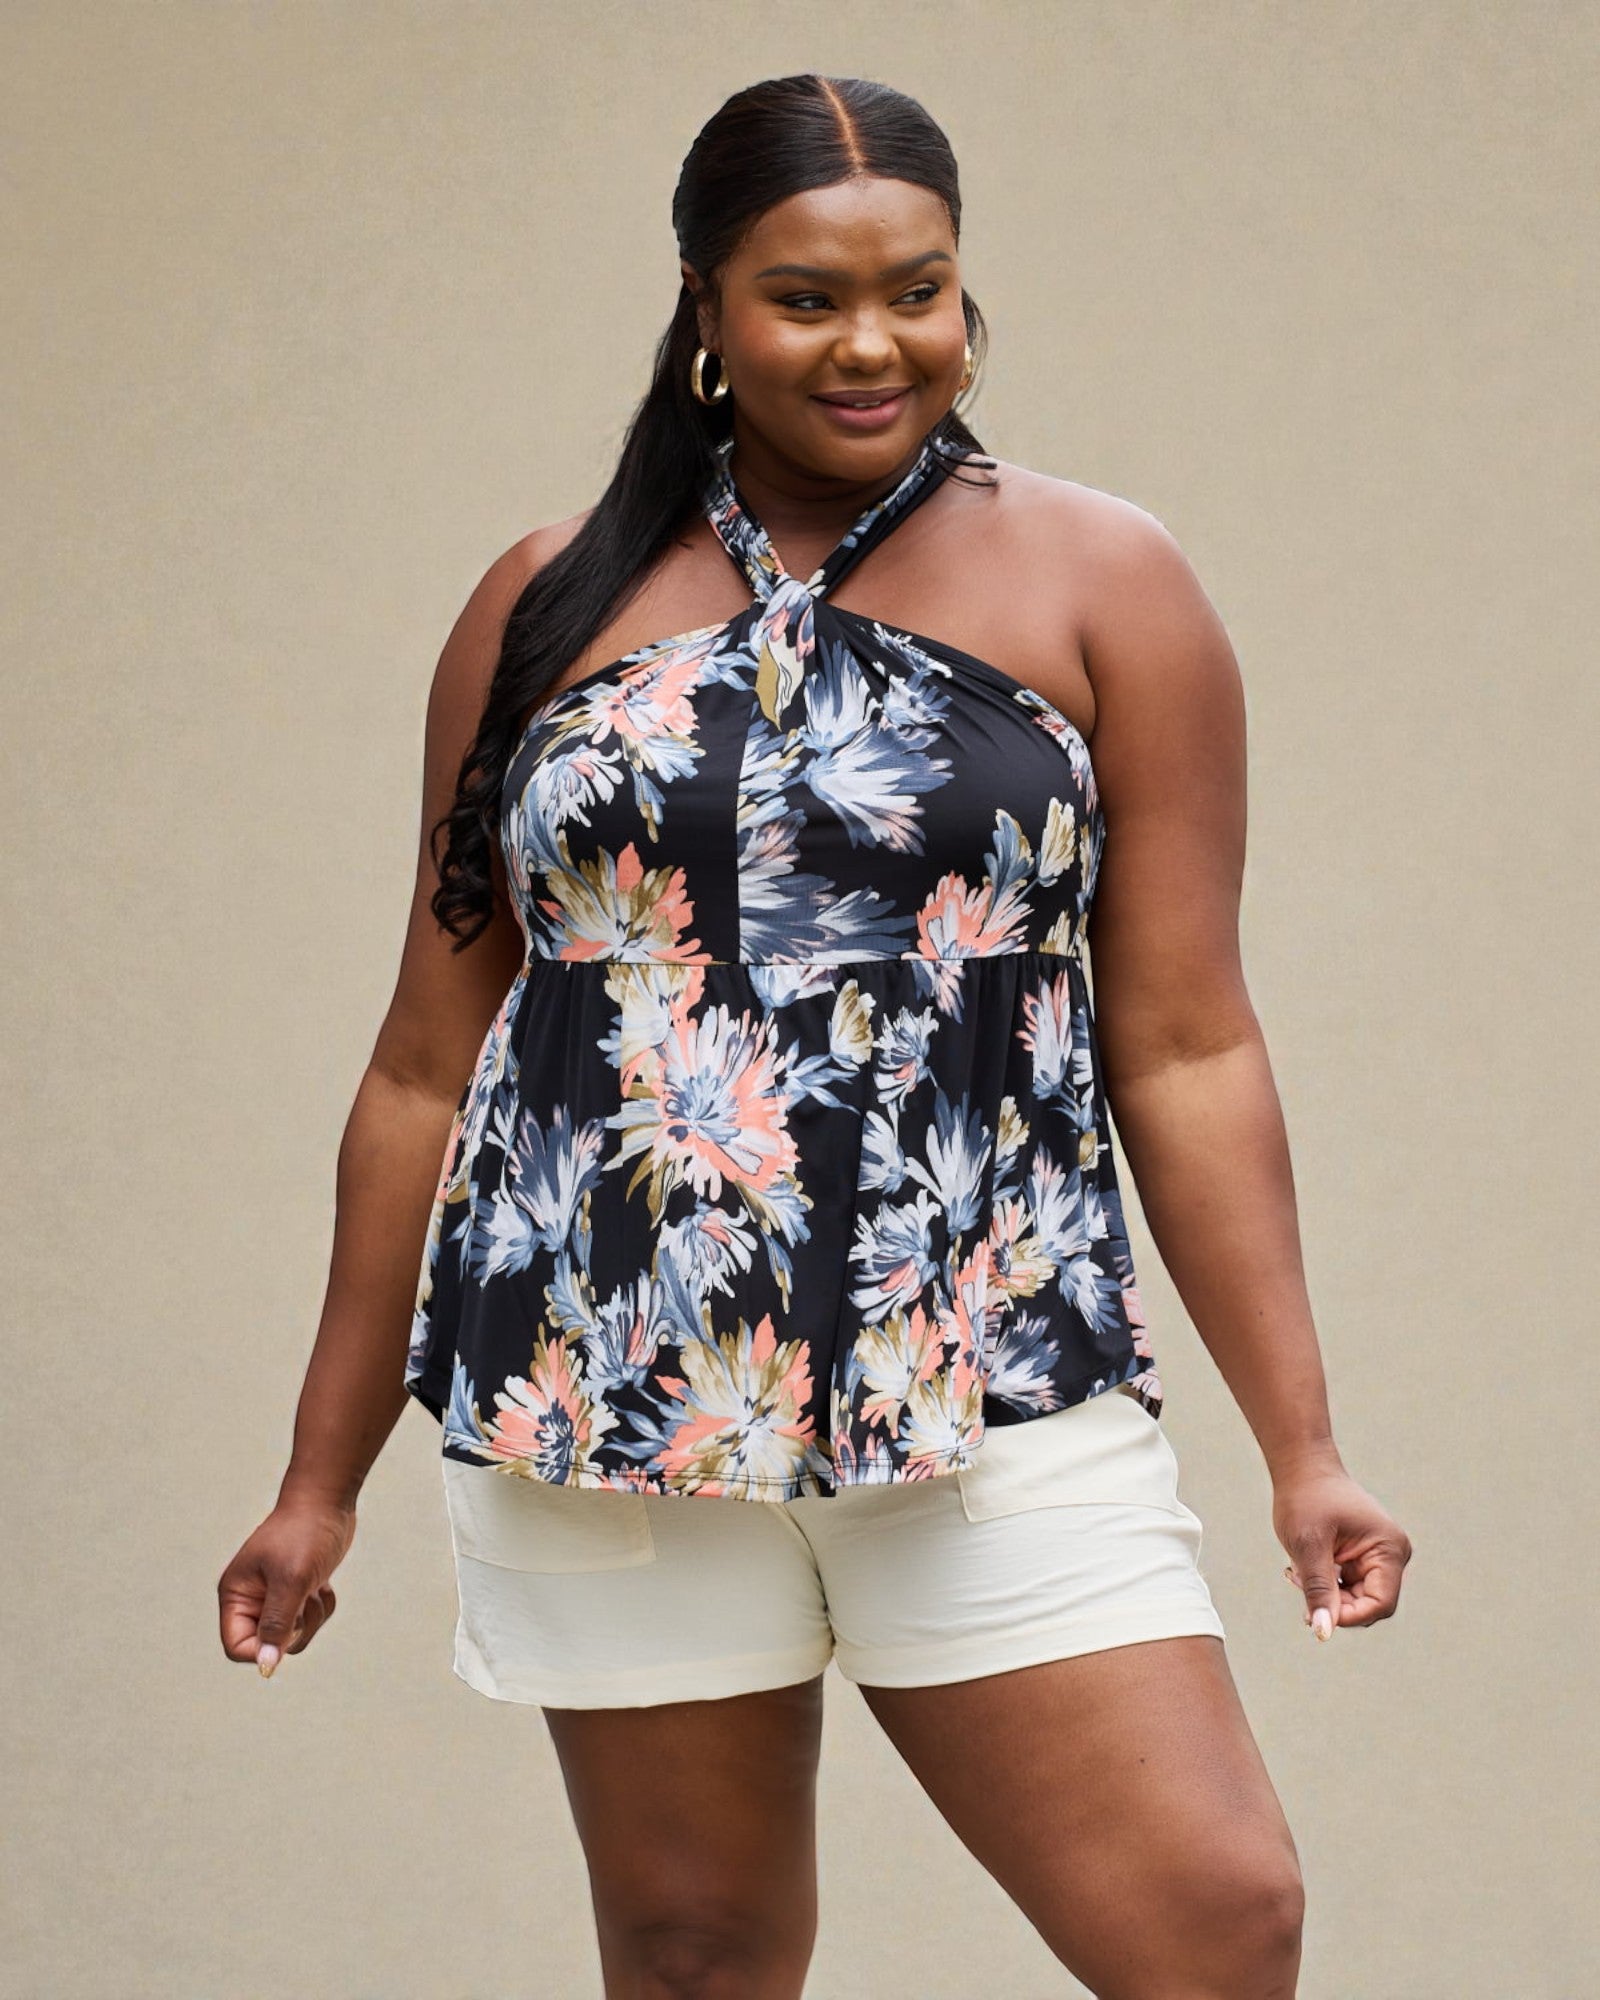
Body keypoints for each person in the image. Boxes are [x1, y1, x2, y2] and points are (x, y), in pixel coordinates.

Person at [218, 72, 1412, 2000]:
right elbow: (426, 1063)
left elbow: (1186, 1044)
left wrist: (1306, 1444)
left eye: (918, 291)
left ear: (964, 298)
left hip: (991, 1370)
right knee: (699, 1955)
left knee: (1214, 1920)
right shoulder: (543, 607)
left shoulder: (1108, 583)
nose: (874, 345)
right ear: (702, 307)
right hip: (606, 1392)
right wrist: (317, 1477)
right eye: (805, 298)